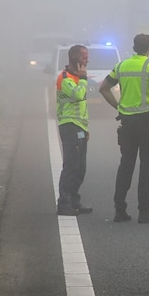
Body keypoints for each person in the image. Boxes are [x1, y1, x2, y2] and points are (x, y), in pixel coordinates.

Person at [100, 33, 149, 223]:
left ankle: (119, 210)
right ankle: (145, 211)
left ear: (133, 47)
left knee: (126, 165)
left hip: (128, 123)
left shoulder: (122, 65)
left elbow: (103, 88)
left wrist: (119, 108)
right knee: (147, 166)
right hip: (147, 121)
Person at [55, 45, 92, 216]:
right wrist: (84, 79)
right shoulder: (65, 78)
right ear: (75, 58)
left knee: (80, 168)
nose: (87, 60)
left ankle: (74, 201)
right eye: (84, 57)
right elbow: (78, 95)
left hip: (80, 127)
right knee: (71, 166)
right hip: (69, 126)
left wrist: (86, 129)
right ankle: (64, 203)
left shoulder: (76, 77)